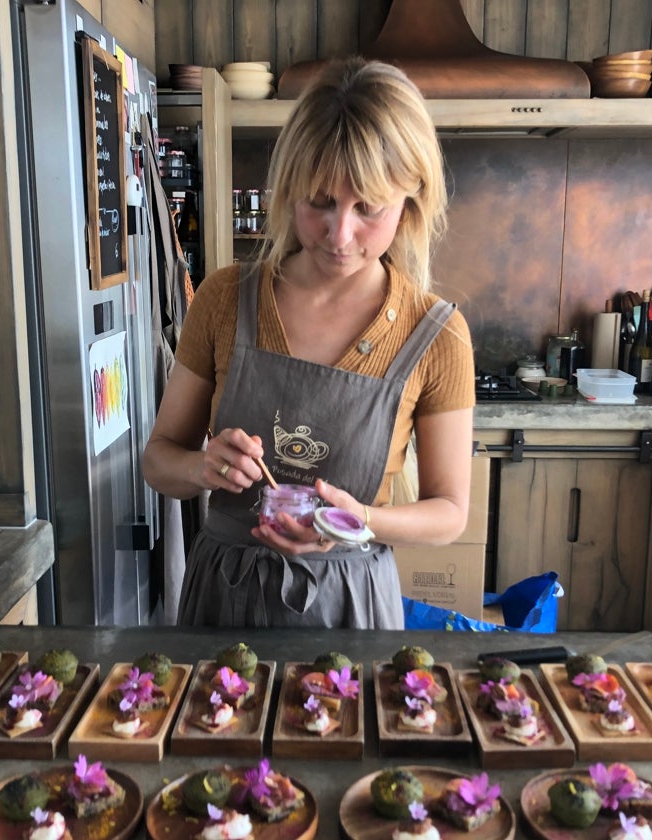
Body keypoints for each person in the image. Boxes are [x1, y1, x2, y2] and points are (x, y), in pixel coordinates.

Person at [142, 57, 475, 628]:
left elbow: (449, 514)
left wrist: (361, 519)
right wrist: (203, 467)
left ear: (410, 199)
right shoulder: (225, 299)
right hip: (223, 598)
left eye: (368, 207)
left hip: (350, 605)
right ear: (288, 188)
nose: (339, 234)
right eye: (318, 201)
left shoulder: (437, 334)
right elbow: (158, 461)